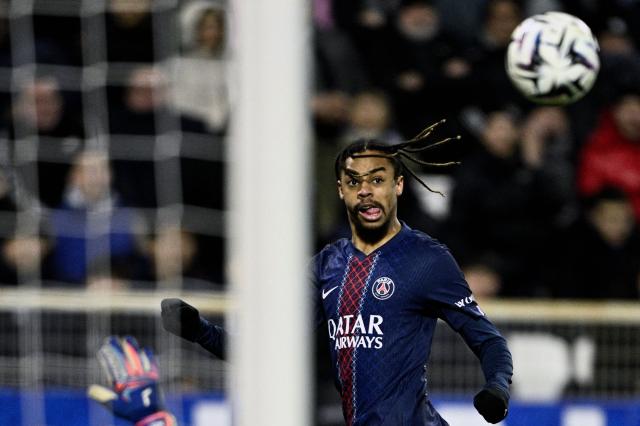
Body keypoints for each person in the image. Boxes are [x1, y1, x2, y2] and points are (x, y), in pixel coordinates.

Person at [160, 124, 513, 425]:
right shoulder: (326, 266)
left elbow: (489, 340)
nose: (366, 190)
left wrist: (496, 387)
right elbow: (272, 350)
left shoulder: (426, 259)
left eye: (378, 179)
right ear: (341, 190)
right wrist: (199, 331)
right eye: (354, 181)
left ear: (399, 186)